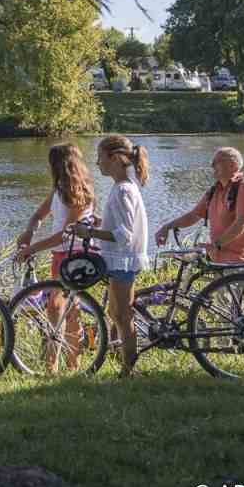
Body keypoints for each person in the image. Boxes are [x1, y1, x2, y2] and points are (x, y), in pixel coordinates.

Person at [13, 143, 96, 371]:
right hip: (61, 255)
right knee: (59, 310)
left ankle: (67, 365)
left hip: (74, 255)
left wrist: (32, 249)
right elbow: (39, 214)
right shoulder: (60, 188)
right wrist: (29, 231)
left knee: (66, 311)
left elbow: (64, 236)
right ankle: (58, 365)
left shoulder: (79, 191)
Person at [73, 134, 149, 376]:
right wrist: (99, 222)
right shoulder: (122, 187)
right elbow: (119, 225)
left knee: (123, 316)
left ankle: (129, 370)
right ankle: (123, 364)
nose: (97, 163)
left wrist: (90, 231)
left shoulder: (124, 190)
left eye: (100, 157)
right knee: (114, 313)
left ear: (115, 158)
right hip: (120, 259)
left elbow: (124, 233)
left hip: (123, 260)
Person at [154, 147, 244, 264]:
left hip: (241, 260)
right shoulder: (214, 191)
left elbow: (241, 223)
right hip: (219, 260)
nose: (212, 165)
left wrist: (215, 245)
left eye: (217, 162)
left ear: (233, 165)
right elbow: (193, 216)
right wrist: (167, 227)